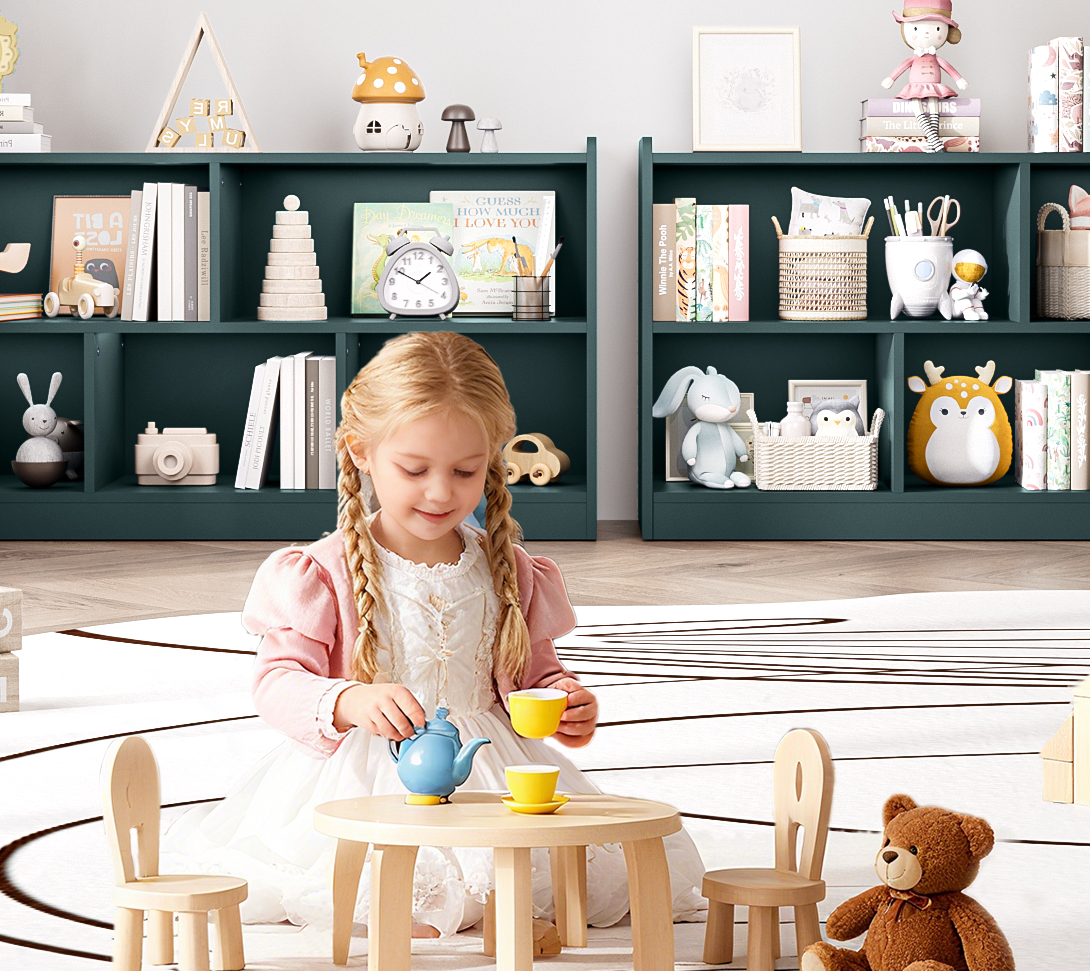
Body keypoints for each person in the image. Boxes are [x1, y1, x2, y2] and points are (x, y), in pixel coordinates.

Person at [167, 329, 705, 936]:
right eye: (414, 469)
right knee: (387, 896)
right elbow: (276, 682)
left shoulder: (510, 568)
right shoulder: (320, 572)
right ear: (361, 451)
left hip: (491, 770)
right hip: (365, 774)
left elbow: (536, 675)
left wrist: (564, 700)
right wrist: (348, 699)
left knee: (568, 879)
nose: (441, 491)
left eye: (465, 470)